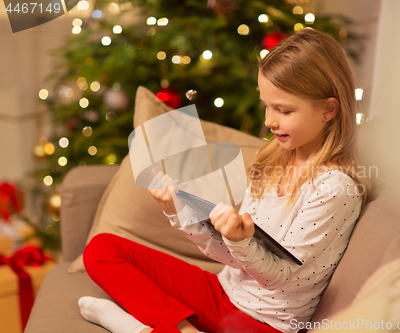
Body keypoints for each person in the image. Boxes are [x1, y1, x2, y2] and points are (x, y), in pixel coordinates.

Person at [78, 28, 371, 333]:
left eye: (284, 110)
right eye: (266, 106)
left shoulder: (336, 188)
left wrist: (239, 240)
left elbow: (280, 278)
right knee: (101, 250)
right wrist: (179, 211)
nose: (269, 121)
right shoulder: (271, 160)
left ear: (329, 109)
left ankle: (134, 327)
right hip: (222, 293)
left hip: (265, 324)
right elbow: (232, 260)